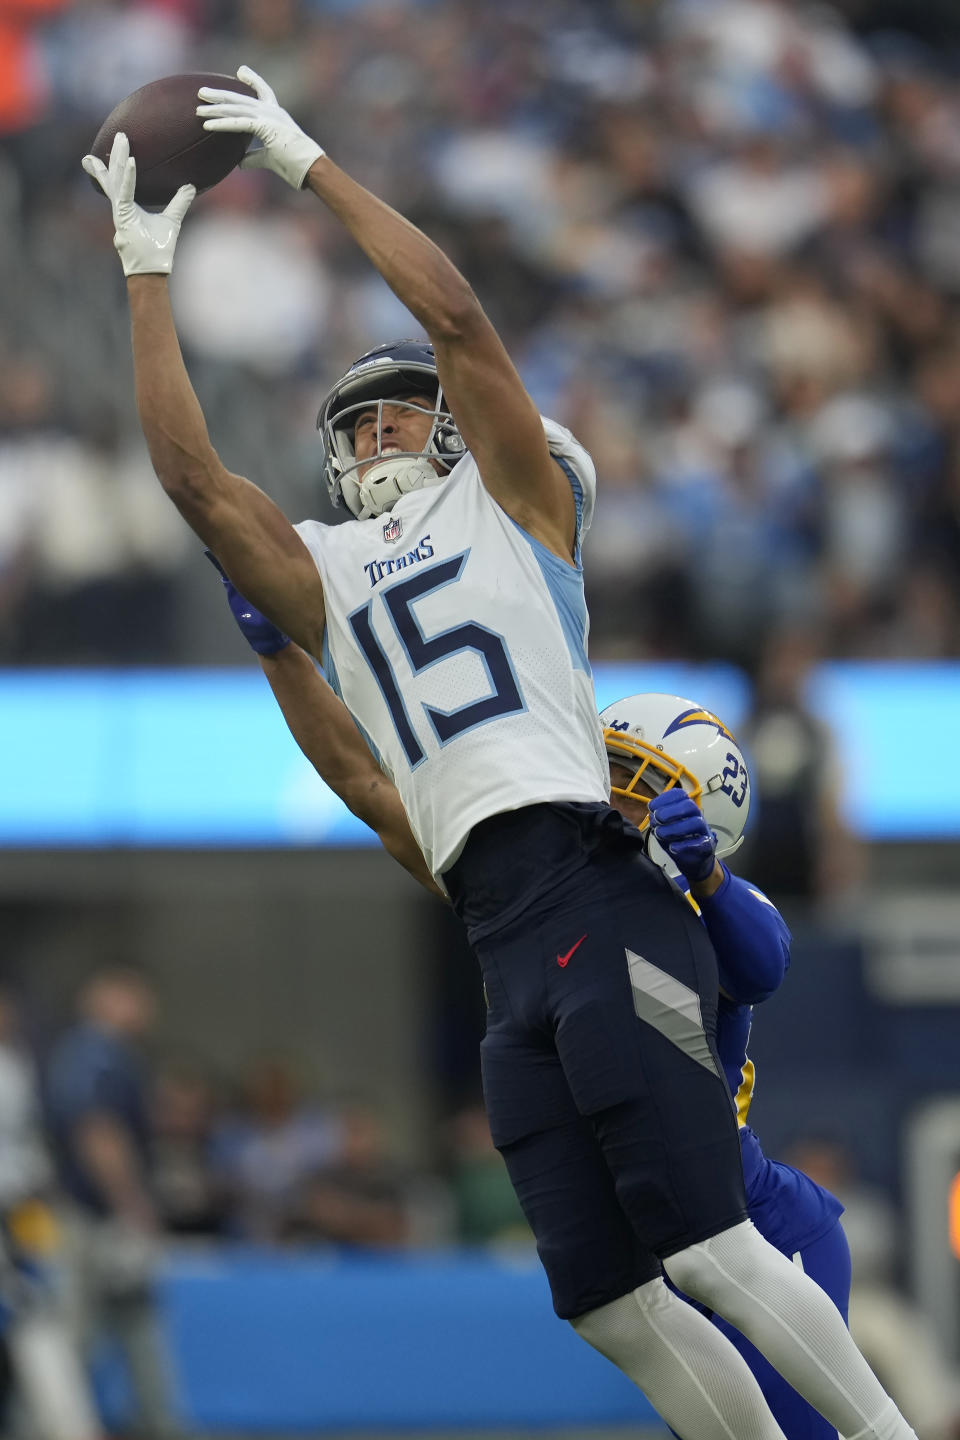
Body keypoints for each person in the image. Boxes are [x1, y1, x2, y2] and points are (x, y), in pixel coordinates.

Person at [82, 65, 917, 1440]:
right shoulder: (330, 573)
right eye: (351, 425)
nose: (372, 434)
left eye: (395, 411)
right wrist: (145, 261)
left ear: (468, 432)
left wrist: (307, 161)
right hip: (499, 932)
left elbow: (457, 314)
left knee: (708, 1245)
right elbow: (195, 492)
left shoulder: (519, 510)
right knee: (604, 1298)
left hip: (591, 884)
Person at [217, 573, 857, 1440]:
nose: (609, 801)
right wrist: (286, 659)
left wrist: (704, 875)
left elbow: (764, 961)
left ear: (704, 808)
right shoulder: (548, 889)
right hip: (669, 1248)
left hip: (755, 1227)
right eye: (610, 777)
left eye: (637, 782)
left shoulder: (701, 906)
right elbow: (375, 789)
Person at [45, 967, 184, 1439]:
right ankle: (49, 1426)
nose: (147, 1008)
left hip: (103, 1215)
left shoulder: (115, 1055)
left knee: (136, 1321)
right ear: (105, 997)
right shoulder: (93, 1053)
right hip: (93, 1217)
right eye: (136, 996)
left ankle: (159, 1422)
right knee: (75, 1333)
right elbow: (98, 1132)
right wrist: (132, 1205)